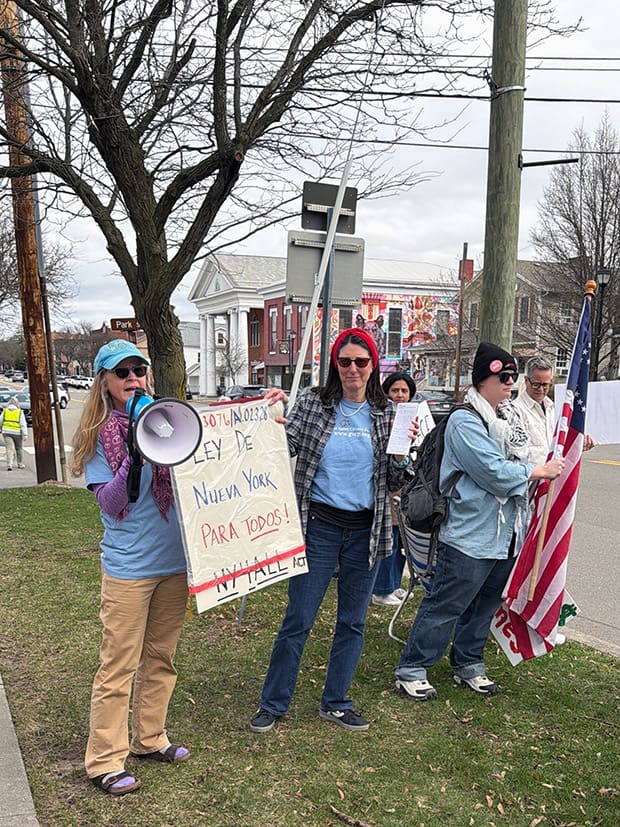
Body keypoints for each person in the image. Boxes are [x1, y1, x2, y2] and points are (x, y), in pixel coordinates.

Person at [250, 328, 417, 734]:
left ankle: (336, 701)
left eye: (361, 361)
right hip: (319, 528)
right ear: (334, 365)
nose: (353, 369)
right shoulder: (313, 404)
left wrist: (400, 455)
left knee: (353, 622)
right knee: (299, 617)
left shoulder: (388, 413)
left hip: (366, 532)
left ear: (373, 365)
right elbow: (277, 446)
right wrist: (268, 412)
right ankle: (274, 702)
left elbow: (397, 481)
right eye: (345, 362)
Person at [394, 342, 565, 701]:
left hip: (508, 533)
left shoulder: (506, 416)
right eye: (503, 376)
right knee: (446, 604)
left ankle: (468, 662)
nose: (510, 383)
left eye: (512, 377)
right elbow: (493, 471)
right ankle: (413, 667)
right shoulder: (464, 420)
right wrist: (536, 470)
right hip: (470, 533)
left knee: (486, 605)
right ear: (483, 379)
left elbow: (532, 450)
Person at [71, 340, 190, 797]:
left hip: (173, 564)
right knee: (118, 665)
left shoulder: (167, 420)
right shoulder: (99, 437)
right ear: (104, 382)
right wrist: (135, 460)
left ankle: (149, 737)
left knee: (160, 656)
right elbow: (112, 502)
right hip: (129, 569)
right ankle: (104, 759)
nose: (132, 378)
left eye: (138, 369)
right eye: (121, 372)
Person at [372, 371, 417, 606]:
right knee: (388, 536)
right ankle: (381, 589)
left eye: (404, 391)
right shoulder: (381, 417)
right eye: (395, 391)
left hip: (407, 487)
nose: (399, 395)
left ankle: (394, 584)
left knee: (402, 540)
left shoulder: (414, 419)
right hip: (388, 488)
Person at [514, 354, 595, 464]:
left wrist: (578, 445)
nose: (541, 389)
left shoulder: (554, 408)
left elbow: (560, 446)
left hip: (555, 477)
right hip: (532, 479)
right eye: (536, 384)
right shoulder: (515, 411)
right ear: (526, 380)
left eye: (546, 385)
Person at [1, 396, 28, 470]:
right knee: (19, 448)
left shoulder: (5, 411)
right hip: (17, 433)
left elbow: (0, 421)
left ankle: (9, 464)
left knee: (9, 449)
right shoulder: (19, 412)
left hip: (6, 432)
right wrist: (25, 434)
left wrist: (0, 429)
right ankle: (20, 464)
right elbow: (23, 424)